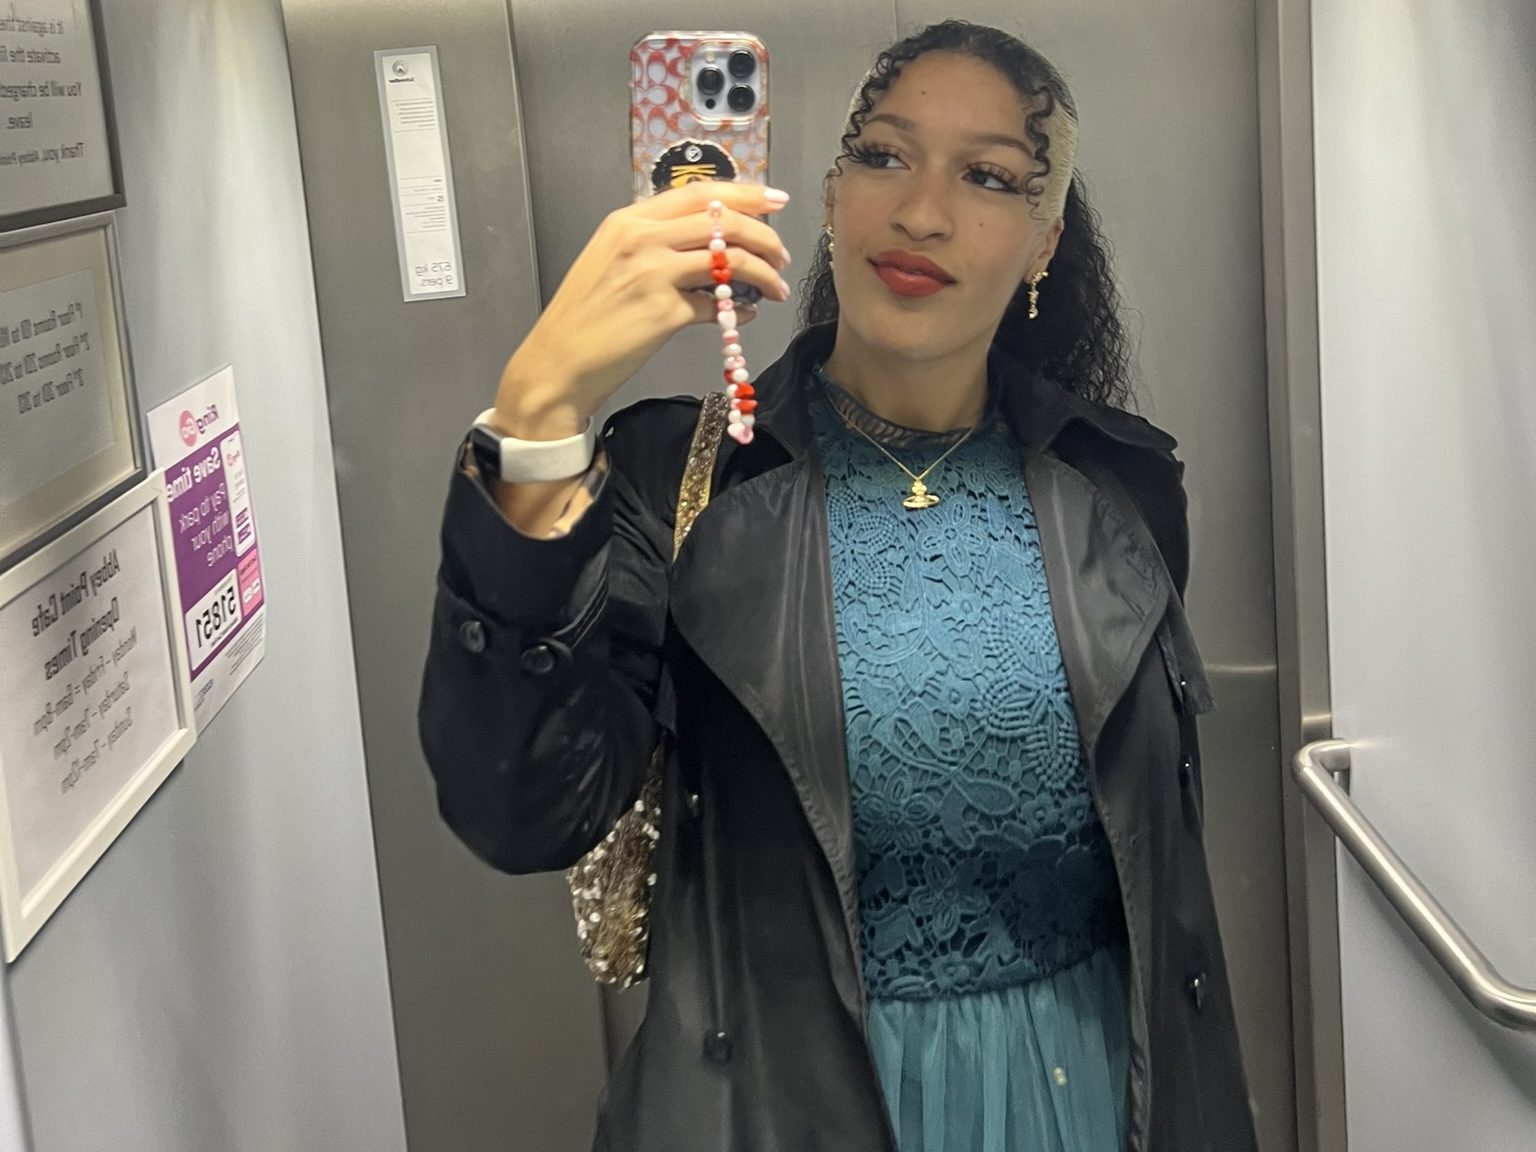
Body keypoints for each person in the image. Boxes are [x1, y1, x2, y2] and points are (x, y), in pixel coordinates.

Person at [419, 18, 1257, 1152]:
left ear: (1044, 241)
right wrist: (539, 417)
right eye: (883, 155)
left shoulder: (1122, 482)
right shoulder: (678, 481)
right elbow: (523, 809)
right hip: (785, 1107)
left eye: (988, 176)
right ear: (826, 194)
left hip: (1101, 1093)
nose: (921, 212)